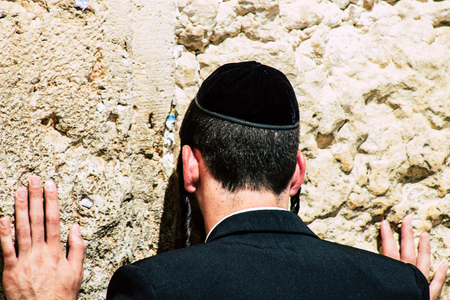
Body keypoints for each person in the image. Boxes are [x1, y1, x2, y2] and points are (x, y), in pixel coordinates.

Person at [0, 62, 447, 300]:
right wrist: (396, 284)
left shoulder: (155, 289)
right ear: (297, 172)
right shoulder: (397, 288)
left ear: (190, 167)